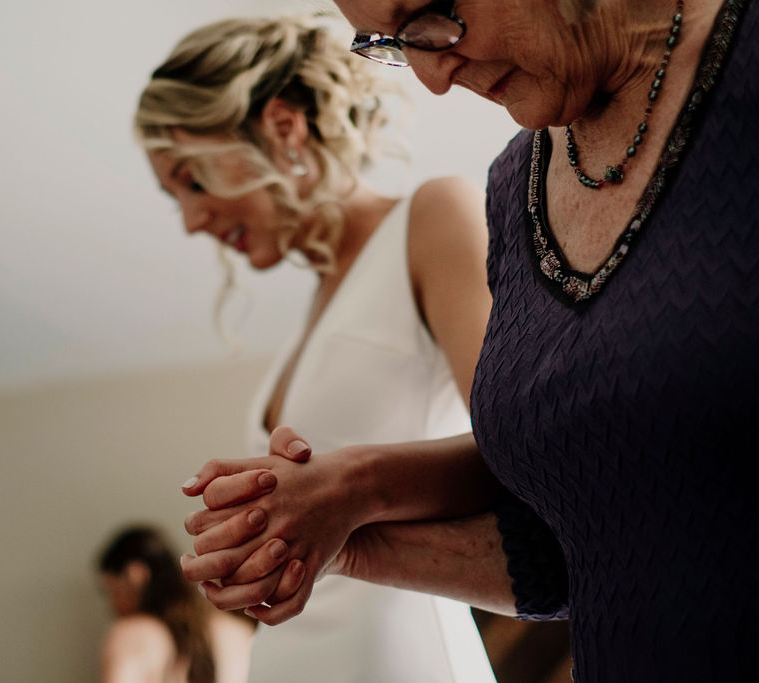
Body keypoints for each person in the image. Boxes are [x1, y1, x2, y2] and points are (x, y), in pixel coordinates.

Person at [178, 1, 759, 681]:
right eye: (393, 43)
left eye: (429, 13)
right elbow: (577, 547)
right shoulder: (514, 191)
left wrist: (361, 482)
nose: (431, 76)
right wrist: (343, 542)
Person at [136, 15, 497, 683]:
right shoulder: (314, 312)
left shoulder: (434, 216)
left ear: (281, 126)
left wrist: (352, 485)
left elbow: (524, 452)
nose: (191, 221)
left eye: (192, 180)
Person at [97, 525, 254, 683]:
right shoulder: (238, 631)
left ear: (135, 575)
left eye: (111, 591)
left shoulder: (132, 634)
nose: (111, 606)